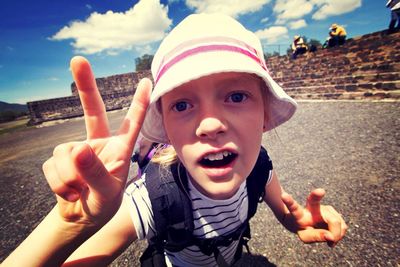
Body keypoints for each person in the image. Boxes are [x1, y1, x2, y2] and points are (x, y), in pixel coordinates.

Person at [2, 13, 348, 267]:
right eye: (182, 104)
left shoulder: (259, 167)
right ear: (165, 127)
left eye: (237, 96)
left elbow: (285, 212)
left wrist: (296, 220)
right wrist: (68, 226)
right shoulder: (155, 195)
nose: (210, 125)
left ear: (265, 114)